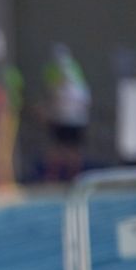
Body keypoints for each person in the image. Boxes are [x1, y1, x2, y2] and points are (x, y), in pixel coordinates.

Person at [43, 43, 91, 183]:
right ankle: (55, 176)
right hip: (63, 119)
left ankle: (71, 177)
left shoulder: (77, 85)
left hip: (73, 120)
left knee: (71, 150)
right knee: (59, 149)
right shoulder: (60, 82)